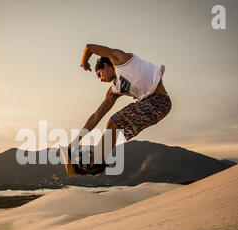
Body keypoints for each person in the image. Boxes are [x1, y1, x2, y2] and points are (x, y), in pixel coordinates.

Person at [68, 43, 172, 175]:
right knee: (113, 124)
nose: (101, 80)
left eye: (100, 75)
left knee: (114, 122)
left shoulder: (120, 60)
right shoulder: (114, 90)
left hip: (160, 101)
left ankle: (95, 162)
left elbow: (89, 47)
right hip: (150, 106)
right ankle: (92, 166)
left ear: (105, 66)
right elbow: (96, 117)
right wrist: (77, 140)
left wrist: (84, 62)